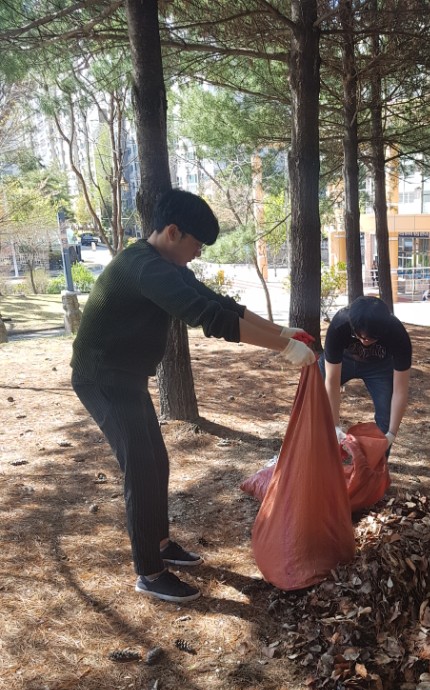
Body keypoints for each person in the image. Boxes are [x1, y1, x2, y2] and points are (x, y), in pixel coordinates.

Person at [71, 188, 315, 605]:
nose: (198, 253)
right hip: (103, 378)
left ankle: (161, 544)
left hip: (126, 377)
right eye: (196, 245)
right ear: (172, 232)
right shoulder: (146, 269)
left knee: (155, 461)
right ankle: (149, 572)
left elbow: (220, 303)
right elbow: (210, 320)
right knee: (142, 467)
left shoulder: (165, 263)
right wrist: (283, 350)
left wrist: (282, 333)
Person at [318, 295, 412, 449]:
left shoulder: (397, 334)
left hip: (379, 365)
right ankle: (324, 452)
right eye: (360, 337)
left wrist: (391, 434)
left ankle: (377, 462)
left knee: (386, 414)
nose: (365, 341)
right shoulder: (339, 324)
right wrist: (335, 426)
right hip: (344, 359)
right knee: (316, 396)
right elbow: (332, 380)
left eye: (371, 339)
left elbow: (400, 390)